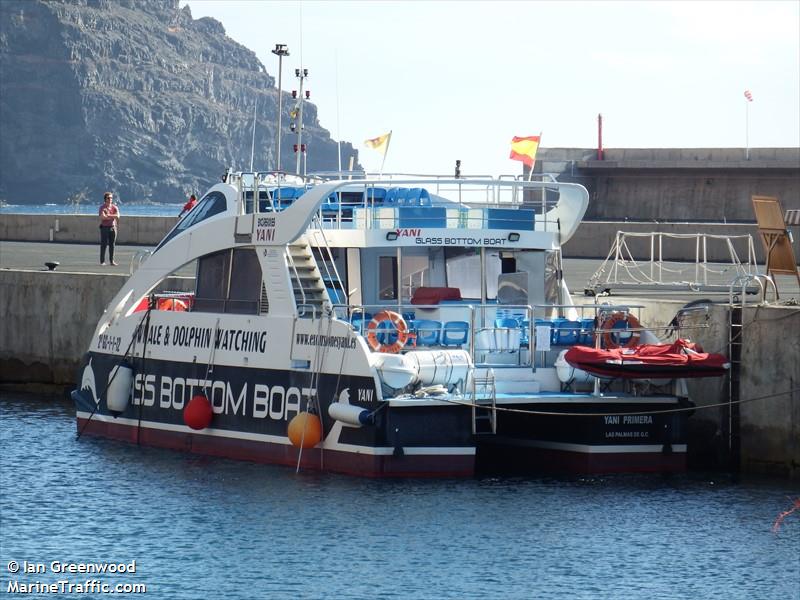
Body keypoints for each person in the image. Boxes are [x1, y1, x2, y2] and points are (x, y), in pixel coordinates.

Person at [99, 191, 120, 266]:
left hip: (113, 227)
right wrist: (112, 216)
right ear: (105, 199)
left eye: (111, 198)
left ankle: (112, 261)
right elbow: (103, 217)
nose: (110, 199)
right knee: (104, 244)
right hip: (104, 228)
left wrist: (108, 215)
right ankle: (102, 261)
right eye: (108, 198)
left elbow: (118, 216)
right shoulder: (102, 207)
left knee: (112, 245)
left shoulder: (114, 207)